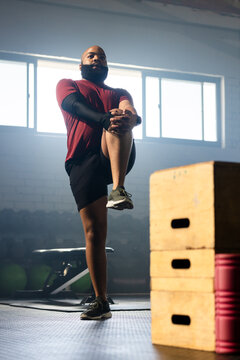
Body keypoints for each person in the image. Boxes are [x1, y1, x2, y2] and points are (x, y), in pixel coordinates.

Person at [56, 45, 141, 320]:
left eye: (101, 56)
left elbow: (129, 108)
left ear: (106, 65)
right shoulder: (67, 84)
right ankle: (101, 301)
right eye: (91, 56)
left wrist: (129, 115)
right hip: (82, 159)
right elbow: (74, 107)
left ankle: (118, 188)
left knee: (119, 117)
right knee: (95, 232)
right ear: (81, 65)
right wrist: (105, 118)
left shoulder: (119, 93)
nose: (97, 58)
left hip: (115, 153)